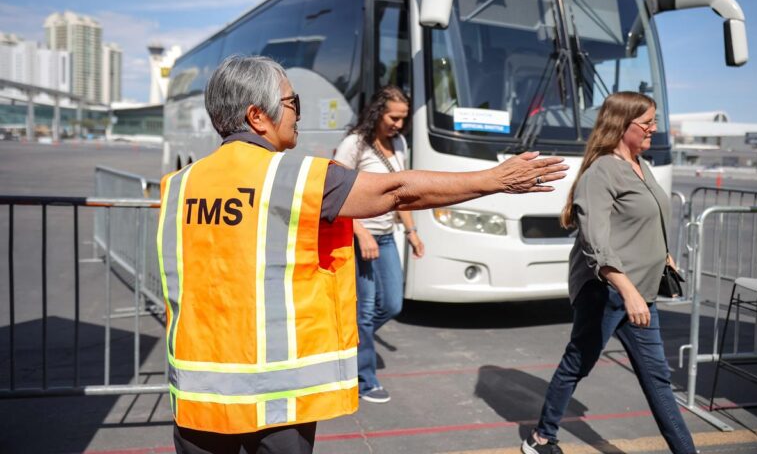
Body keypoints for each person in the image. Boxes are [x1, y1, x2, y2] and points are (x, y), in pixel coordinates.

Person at [157, 55, 568, 454]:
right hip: (272, 402)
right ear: (257, 116)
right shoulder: (295, 177)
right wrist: (494, 179)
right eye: (292, 103)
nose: (298, 114)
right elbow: (397, 190)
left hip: (198, 395)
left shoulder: (179, 184)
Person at [521, 92, 696, 454]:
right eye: (646, 122)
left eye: (653, 121)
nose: (654, 128)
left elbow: (641, 219)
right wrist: (627, 290)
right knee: (578, 363)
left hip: (640, 293)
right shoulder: (601, 171)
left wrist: (663, 255)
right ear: (622, 125)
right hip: (607, 292)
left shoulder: (639, 164)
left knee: (658, 380)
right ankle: (541, 439)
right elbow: (595, 241)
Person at [334, 85, 424, 404]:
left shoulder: (398, 143)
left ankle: (350, 342)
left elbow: (398, 193)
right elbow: (337, 195)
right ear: (377, 112)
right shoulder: (354, 145)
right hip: (360, 239)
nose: (398, 124)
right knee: (367, 309)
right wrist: (360, 231)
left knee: (393, 305)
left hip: (386, 237)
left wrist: (412, 232)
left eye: (402, 118)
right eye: (393, 117)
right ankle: (364, 378)